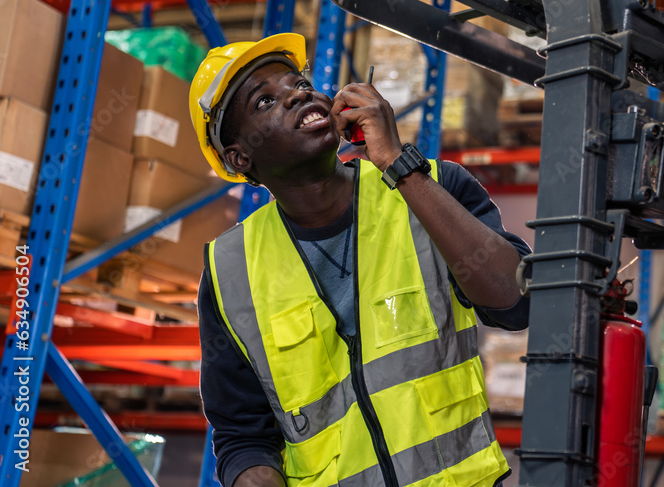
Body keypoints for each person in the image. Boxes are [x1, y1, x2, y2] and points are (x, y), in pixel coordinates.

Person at [188, 33, 530, 487]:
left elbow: (514, 302)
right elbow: (242, 435)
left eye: (299, 83)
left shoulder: (436, 188)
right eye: (266, 101)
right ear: (240, 156)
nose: (298, 94)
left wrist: (399, 166)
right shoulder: (230, 271)